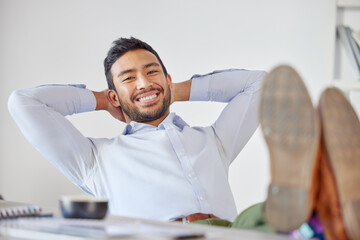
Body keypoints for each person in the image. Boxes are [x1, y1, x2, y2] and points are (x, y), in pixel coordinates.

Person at [8, 37, 266, 223]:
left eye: (152, 72)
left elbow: (262, 84)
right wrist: (102, 100)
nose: (143, 83)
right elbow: (24, 103)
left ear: (167, 80)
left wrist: (173, 90)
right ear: (114, 95)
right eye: (128, 78)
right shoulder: (96, 160)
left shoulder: (214, 141)